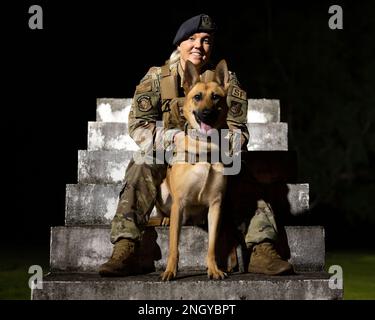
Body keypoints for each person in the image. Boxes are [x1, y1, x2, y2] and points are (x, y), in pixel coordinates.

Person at [99, 13, 293, 277]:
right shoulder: (157, 78)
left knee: (241, 170)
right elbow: (138, 126)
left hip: (212, 154)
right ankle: (126, 246)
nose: (198, 46)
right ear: (179, 44)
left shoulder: (226, 81)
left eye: (206, 40)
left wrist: (217, 146)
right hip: (169, 154)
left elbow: (238, 131)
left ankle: (261, 249)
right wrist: (175, 140)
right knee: (142, 163)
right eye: (191, 39)